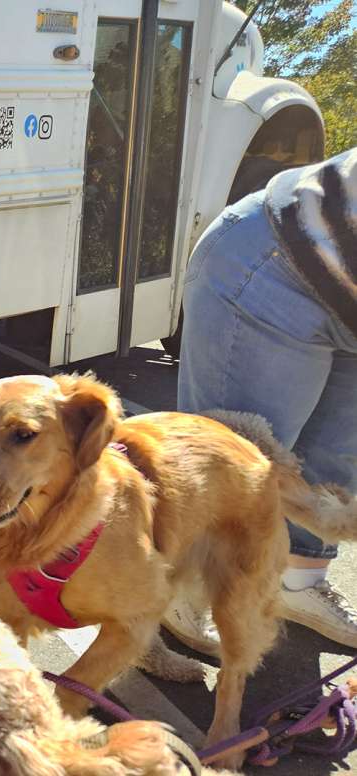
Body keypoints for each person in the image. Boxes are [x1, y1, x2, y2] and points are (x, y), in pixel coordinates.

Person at [167, 148, 357, 652]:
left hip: (350, 295)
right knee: (235, 463)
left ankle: (300, 584)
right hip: (278, 264)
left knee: (335, 458)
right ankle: (182, 593)